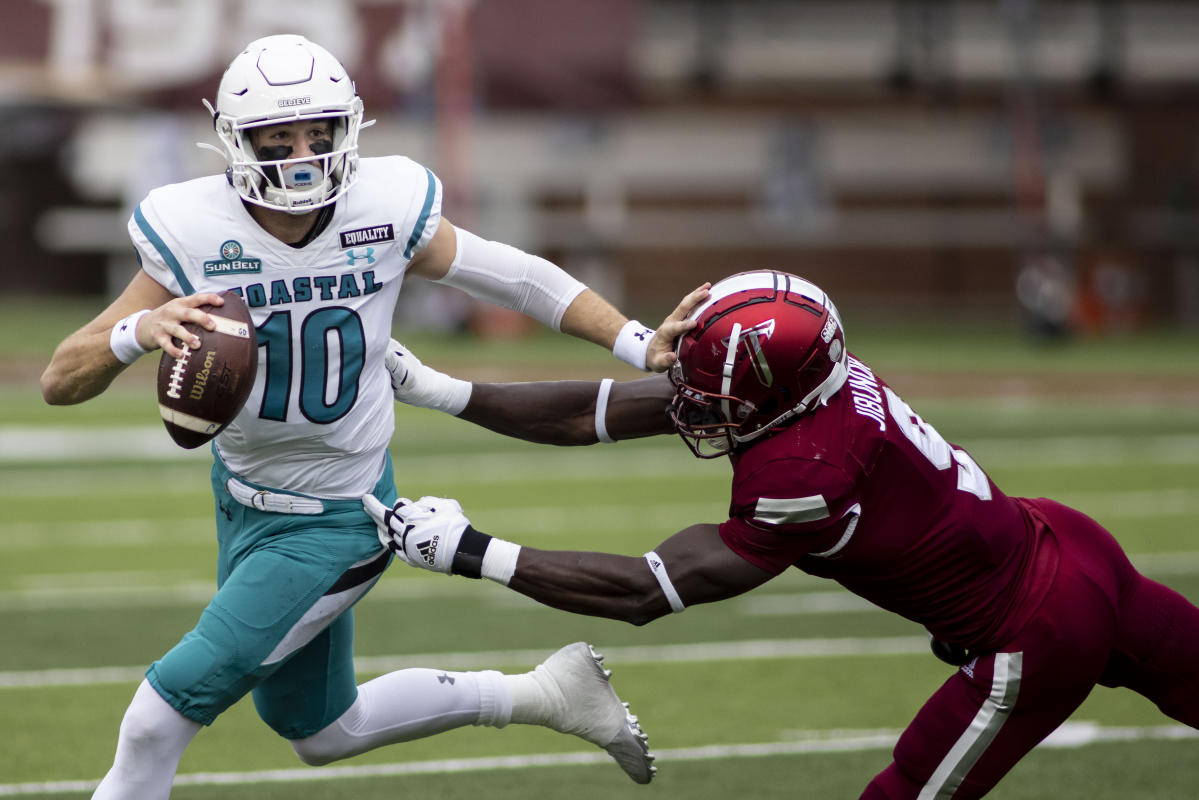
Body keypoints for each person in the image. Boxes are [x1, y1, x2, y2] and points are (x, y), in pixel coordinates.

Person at [39, 34, 679, 798]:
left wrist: (636, 341)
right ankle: (548, 693)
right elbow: (59, 380)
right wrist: (134, 331)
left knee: (154, 722)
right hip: (242, 499)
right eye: (278, 138)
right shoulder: (192, 227)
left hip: (339, 516)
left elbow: (517, 276)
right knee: (320, 729)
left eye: (319, 133)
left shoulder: (384, 204)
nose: (303, 155)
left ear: (349, 130)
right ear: (236, 143)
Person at [366, 270, 1199, 799]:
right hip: (1066, 544)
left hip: (1034, 629)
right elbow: (601, 412)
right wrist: (439, 390)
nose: (688, 400)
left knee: (906, 787)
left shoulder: (804, 472)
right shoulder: (808, 386)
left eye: (709, 388)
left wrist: (474, 552)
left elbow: (645, 591)